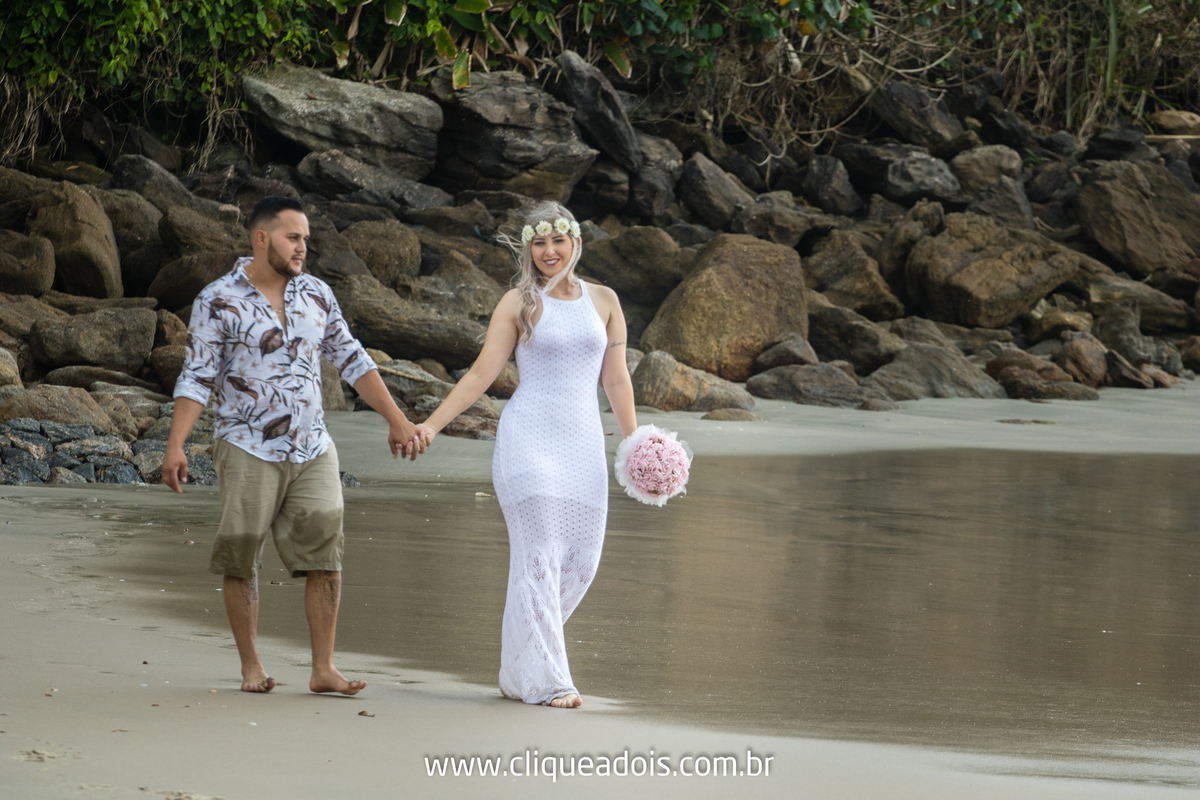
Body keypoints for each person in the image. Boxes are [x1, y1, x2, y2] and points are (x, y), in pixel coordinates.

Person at [162, 196, 423, 695]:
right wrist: (176, 446)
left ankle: (323, 669)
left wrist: (397, 420)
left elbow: (352, 358)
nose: (303, 247)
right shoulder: (218, 299)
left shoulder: (317, 295)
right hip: (246, 445)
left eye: (306, 238)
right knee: (242, 557)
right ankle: (251, 667)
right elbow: (195, 378)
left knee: (327, 557)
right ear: (261, 239)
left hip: (313, 447)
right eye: (293, 237)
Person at [413, 201, 637, 708]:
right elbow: (480, 374)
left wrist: (636, 442)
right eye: (539, 243)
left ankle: (519, 668)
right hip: (528, 441)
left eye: (558, 241)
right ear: (528, 249)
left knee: (582, 561)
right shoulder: (519, 302)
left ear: (575, 243)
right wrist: (430, 424)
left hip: (582, 446)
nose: (549, 251)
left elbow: (617, 378)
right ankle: (553, 680)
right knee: (539, 556)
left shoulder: (604, 301)